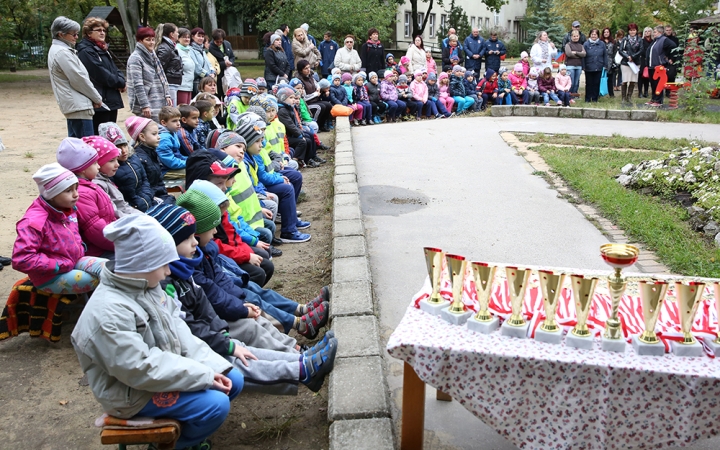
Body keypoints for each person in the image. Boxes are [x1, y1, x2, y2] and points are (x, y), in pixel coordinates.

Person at [70, 214, 243, 450]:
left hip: (159, 372)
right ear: (142, 264)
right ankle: (173, 445)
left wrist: (211, 366)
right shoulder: (107, 314)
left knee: (233, 378)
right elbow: (140, 368)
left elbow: (178, 328)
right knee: (215, 404)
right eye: (164, 265)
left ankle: (186, 434)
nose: (168, 273)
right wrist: (202, 375)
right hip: (130, 394)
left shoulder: (145, 285)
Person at [149, 203, 337, 394]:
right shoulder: (173, 278)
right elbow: (193, 324)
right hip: (197, 342)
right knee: (242, 344)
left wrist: (228, 323)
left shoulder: (186, 266)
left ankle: (299, 357)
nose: (196, 241)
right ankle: (302, 365)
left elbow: (203, 304)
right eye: (189, 238)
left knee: (251, 315)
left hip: (213, 325)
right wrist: (227, 336)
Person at [12, 162, 106, 294]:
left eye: (76, 188)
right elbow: (21, 259)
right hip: (50, 277)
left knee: (110, 269)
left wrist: (80, 248)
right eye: (68, 190)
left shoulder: (66, 209)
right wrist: (57, 265)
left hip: (73, 261)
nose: (76, 195)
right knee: (100, 280)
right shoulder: (34, 222)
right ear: (51, 194)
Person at [56, 137, 116, 257]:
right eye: (94, 163)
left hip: (109, 240)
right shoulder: (81, 194)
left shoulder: (89, 185)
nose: (98, 166)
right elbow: (95, 231)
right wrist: (122, 244)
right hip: (97, 251)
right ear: (82, 168)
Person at [47, 16, 102, 138]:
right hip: (78, 107)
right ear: (61, 35)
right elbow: (79, 79)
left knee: (76, 148)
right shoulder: (62, 52)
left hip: (75, 106)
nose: (77, 37)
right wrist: (97, 98)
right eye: (73, 34)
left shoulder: (60, 50)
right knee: (86, 149)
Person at [76, 17, 126, 134]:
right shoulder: (86, 51)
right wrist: (119, 83)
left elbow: (114, 68)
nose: (102, 32)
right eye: (98, 30)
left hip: (111, 98)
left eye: (104, 30)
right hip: (100, 101)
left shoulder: (102, 48)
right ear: (89, 33)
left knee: (111, 135)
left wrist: (122, 80)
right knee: (100, 136)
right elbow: (100, 73)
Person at [100, 122, 154, 212]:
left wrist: (146, 197)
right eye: (118, 147)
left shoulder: (134, 158)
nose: (124, 151)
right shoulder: (110, 169)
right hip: (132, 209)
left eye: (125, 145)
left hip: (147, 201)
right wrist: (136, 204)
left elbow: (145, 179)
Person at [84, 136, 139, 218]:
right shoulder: (99, 185)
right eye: (111, 160)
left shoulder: (105, 178)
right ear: (98, 163)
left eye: (117, 159)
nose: (117, 164)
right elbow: (114, 213)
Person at [126, 27, 172, 122]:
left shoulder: (153, 55)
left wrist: (167, 94)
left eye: (153, 40)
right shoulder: (135, 58)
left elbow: (162, 76)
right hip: (147, 102)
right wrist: (144, 105)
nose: (151, 42)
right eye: (147, 40)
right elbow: (137, 84)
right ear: (140, 41)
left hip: (159, 98)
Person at [124, 116, 173, 202]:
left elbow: (158, 180)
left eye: (158, 133)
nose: (159, 137)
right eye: (154, 134)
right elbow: (144, 187)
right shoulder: (139, 159)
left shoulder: (152, 152)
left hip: (160, 195)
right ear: (142, 137)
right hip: (152, 199)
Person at [297, 59, 332, 131]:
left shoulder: (310, 76)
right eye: (306, 68)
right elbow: (304, 97)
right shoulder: (300, 81)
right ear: (301, 70)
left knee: (328, 105)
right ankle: (315, 125)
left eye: (309, 67)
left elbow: (317, 84)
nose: (308, 70)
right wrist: (315, 94)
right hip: (307, 103)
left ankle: (322, 125)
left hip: (314, 100)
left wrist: (319, 88)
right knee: (320, 107)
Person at [647, 24, 677, 106]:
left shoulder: (664, 40)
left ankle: (658, 101)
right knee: (653, 83)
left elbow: (673, 46)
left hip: (659, 66)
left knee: (658, 84)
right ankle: (653, 99)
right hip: (652, 65)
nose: (653, 33)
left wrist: (669, 57)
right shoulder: (655, 40)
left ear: (660, 32)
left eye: (655, 32)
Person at [155, 23, 182, 106]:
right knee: (170, 111)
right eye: (177, 32)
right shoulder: (165, 48)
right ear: (171, 34)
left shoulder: (170, 46)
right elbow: (159, 68)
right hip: (169, 84)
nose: (178, 34)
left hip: (173, 83)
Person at [618, 23, 643, 104]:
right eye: (631, 30)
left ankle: (629, 97)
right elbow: (620, 50)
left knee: (633, 80)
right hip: (626, 62)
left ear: (636, 31)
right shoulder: (625, 39)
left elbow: (641, 50)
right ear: (628, 31)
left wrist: (633, 56)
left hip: (635, 62)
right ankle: (623, 98)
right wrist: (628, 56)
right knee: (625, 80)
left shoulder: (639, 39)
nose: (632, 32)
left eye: (634, 30)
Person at [209, 29, 236, 100]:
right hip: (218, 76)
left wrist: (231, 62)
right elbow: (212, 63)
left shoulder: (227, 44)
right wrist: (224, 64)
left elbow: (232, 56)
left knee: (229, 94)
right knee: (218, 95)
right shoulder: (210, 47)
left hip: (229, 75)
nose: (219, 43)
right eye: (217, 41)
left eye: (221, 41)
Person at [583, 28, 607, 103]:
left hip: (598, 66)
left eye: (595, 34)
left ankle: (595, 98)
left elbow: (605, 55)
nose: (593, 36)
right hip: (588, 66)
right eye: (592, 34)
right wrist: (583, 66)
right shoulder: (586, 44)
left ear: (598, 35)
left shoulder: (602, 44)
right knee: (589, 83)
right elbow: (583, 56)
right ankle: (587, 98)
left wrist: (605, 65)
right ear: (590, 35)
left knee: (596, 83)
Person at [190, 28, 216, 94]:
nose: (201, 38)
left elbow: (208, 63)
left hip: (205, 81)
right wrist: (207, 74)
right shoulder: (190, 50)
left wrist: (213, 72)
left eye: (202, 36)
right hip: (197, 81)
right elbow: (196, 67)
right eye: (198, 36)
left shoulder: (202, 50)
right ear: (192, 37)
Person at [175, 28, 196, 105]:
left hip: (189, 86)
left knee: (187, 111)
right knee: (182, 110)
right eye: (184, 37)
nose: (187, 39)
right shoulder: (176, 50)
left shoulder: (188, 51)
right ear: (178, 38)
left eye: (188, 37)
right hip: (181, 86)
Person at [564, 30, 586, 98]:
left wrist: (576, 53)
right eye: (574, 36)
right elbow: (569, 54)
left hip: (578, 66)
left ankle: (575, 95)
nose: (575, 37)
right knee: (571, 82)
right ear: (571, 37)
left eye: (577, 36)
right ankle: (569, 95)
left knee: (576, 82)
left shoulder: (581, 45)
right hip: (570, 66)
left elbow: (584, 54)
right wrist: (579, 54)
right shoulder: (568, 45)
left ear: (579, 37)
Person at [638, 27, 654, 98]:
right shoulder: (641, 40)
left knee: (647, 76)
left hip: (650, 60)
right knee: (641, 76)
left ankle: (646, 91)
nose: (647, 33)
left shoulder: (653, 41)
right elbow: (641, 50)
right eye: (646, 31)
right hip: (642, 59)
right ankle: (640, 92)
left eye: (648, 31)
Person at [601, 28, 617, 97]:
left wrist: (614, 62)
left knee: (610, 79)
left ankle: (611, 94)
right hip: (601, 60)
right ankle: (600, 93)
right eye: (605, 32)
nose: (606, 33)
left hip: (610, 61)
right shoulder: (600, 41)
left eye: (607, 32)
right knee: (601, 78)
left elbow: (615, 52)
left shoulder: (613, 42)